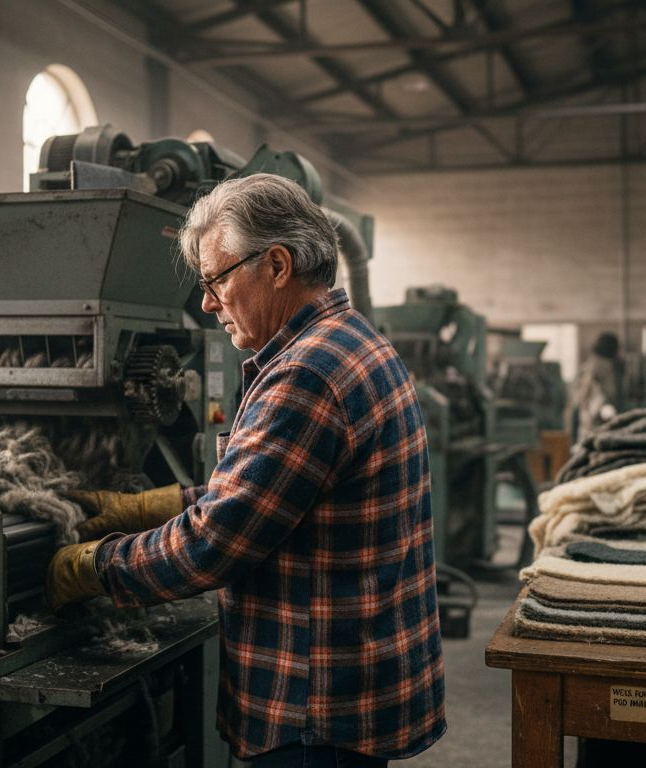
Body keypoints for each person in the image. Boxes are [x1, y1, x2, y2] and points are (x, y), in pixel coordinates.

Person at [48, 174, 446, 768]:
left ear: (277, 265)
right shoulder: (354, 342)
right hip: (354, 682)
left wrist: (93, 565)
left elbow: (213, 545)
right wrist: (148, 506)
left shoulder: (305, 375)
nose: (207, 303)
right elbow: (278, 491)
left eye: (215, 280)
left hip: (313, 710)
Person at [565, 331, 625, 442]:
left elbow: (575, 404)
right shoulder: (607, 368)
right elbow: (608, 400)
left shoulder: (585, 368)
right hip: (599, 427)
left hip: (585, 428)